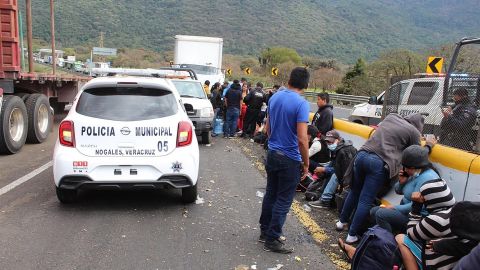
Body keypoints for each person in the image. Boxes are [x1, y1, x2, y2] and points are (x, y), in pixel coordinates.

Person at [336, 113, 430, 244]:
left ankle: (341, 222)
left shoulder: (391, 116)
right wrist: (429, 145)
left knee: (354, 191)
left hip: (361, 155)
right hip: (379, 162)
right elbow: (417, 153)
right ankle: (351, 235)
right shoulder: (413, 131)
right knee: (365, 200)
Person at [259, 67, 310, 254]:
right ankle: (273, 239)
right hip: (289, 158)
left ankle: (264, 232)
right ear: (306, 84)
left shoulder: (274, 97)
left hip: (272, 153)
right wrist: (306, 163)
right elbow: (302, 139)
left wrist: (274, 143)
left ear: (289, 79)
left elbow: (268, 128)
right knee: (283, 199)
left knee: (271, 194)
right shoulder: (302, 104)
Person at [395, 179, 468, 270]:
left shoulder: (437, 219)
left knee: (401, 238)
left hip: (440, 264)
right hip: (454, 260)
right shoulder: (459, 210)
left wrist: (416, 206)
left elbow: (411, 233)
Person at [370, 145, 439, 234]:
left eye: (407, 168)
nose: (405, 170)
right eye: (404, 167)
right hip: (405, 211)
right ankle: (387, 235)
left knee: (381, 214)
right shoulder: (413, 173)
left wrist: (394, 208)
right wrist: (401, 182)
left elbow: (415, 206)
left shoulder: (426, 178)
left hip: (417, 217)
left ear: (415, 167)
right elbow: (398, 191)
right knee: (374, 211)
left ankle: (388, 243)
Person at [309, 130, 357, 209]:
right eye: (328, 142)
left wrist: (325, 170)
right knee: (326, 169)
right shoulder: (338, 148)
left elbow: (344, 171)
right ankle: (321, 194)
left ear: (338, 139)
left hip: (349, 177)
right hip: (344, 173)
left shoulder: (344, 151)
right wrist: (323, 170)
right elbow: (334, 165)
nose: (329, 144)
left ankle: (325, 200)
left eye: (331, 142)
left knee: (334, 175)